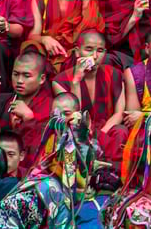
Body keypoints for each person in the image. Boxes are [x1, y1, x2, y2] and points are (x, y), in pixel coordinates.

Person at [52, 30, 127, 161]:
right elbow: (74, 117)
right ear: (77, 51)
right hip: (79, 133)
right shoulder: (60, 81)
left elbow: (119, 113)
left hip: (107, 131)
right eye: (89, 49)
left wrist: (101, 135)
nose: (94, 56)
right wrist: (76, 82)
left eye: (100, 50)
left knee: (121, 131)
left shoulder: (114, 74)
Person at [0, 52, 53, 169]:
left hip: (30, 171)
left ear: (42, 79)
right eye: (16, 74)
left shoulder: (49, 106)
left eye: (26, 75)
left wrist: (29, 120)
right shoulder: (4, 100)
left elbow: (43, 149)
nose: (19, 80)